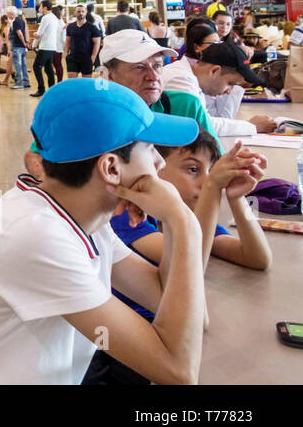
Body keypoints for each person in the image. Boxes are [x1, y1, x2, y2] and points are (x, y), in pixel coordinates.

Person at [0, 78, 205, 385]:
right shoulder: (37, 236)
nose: (160, 161)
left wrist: (176, 222)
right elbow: (177, 370)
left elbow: (172, 302)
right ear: (111, 168)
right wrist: (184, 222)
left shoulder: (81, 217)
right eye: (150, 147)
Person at [83, 130, 269, 384]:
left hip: (165, 331)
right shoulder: (124, 216)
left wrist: (237, 200)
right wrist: (213, 189)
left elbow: (257, 258)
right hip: (122, 348)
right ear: (157, 168)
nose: (204, 181)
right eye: (193, 170)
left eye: (210, 171)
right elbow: (194, 259)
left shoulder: (191, 213)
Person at [162, 40, 274, 137]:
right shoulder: (181, 80)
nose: (229, 91)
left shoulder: (191, 78)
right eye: (230, 83)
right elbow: (203, 126)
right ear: (214, 71)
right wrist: (252, 126)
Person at [30, 0, 61, 97]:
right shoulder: (54, 18)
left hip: (45, 47)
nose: (39, 8)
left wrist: (34, 36)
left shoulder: (46, 18)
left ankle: (41, 89)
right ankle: (52, 89)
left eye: (40, 6)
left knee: (36, 67)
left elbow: (39, 34)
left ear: (45, 8)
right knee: (48, 69)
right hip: (51, 47)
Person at [63, 4, 103, 78]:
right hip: (73, 58)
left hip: (87, 58)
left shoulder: (92, 28)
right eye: (78, 11)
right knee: (72, 82)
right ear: (75, 13)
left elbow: (97, 43)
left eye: (82, 11)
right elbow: (68, 41)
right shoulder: (70, 27)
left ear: (86, 12)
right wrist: (66, 53)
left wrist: (93, 57)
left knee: (86, 83)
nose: (80, 13)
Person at [7, 6, 30, 90]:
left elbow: (19, 33)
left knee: (17, 65)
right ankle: (26, 82)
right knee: (23, 65)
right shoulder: (21, 21)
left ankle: (19, 83)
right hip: (22, 47)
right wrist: (26, 43)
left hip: (17, 46)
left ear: (11, 14)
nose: (7, 16)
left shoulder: (15, 22)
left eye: (8, 14)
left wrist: (24, 42)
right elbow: (25, 32)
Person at [51, 5, 65, 82]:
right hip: (58, 46)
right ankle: (59, 81)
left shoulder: (57, 22)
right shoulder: (60, 21)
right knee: (57, 64)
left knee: (57, 65)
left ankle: (59, 81)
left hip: (55, 46)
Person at [0, 14, 12, 86]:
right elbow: (7, 40)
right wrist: (9, 49)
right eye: (8, 18)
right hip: (7, 46)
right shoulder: (7, 28)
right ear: (6, 20)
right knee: (6, 63)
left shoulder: (2, 28)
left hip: (4, 46)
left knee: (4, 63)